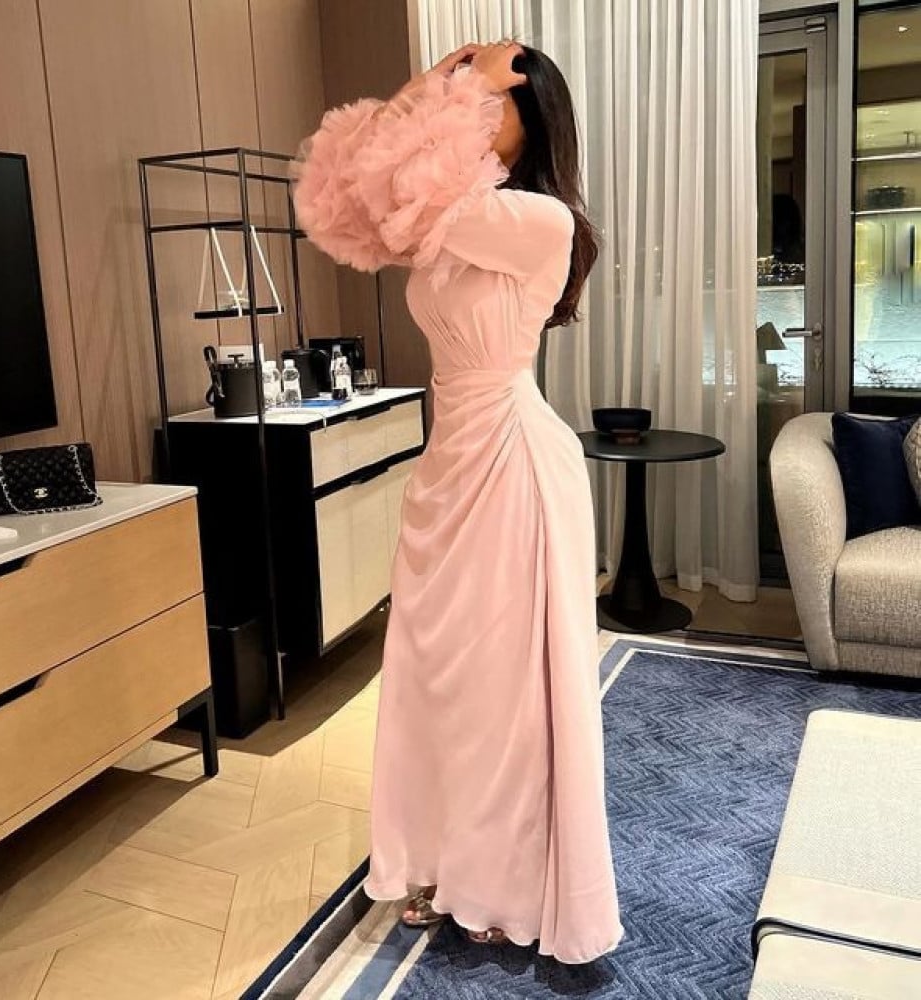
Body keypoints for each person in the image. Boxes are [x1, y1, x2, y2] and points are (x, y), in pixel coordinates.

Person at [292, 39, 623, 964]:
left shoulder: (534, 220)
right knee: (442, 685)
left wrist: (449, 92)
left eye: (488, 95)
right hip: (448, 463)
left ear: (532, 114)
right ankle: (447, 857)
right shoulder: (453, 213)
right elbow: (354, 196)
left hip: (513, 463)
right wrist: (431, 83)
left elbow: (405, 188)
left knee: (503, 691)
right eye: (462, 92)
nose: (468, 103)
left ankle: (502, 881)